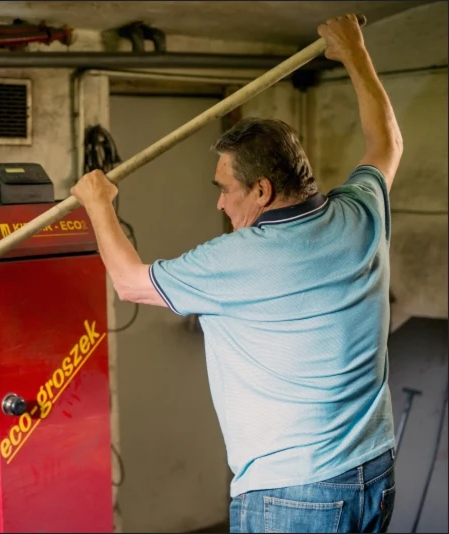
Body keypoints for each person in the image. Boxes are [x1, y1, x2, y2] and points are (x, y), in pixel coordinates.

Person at [70, 14, 403, 534]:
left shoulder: (238, 258)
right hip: (374, 472)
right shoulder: (360, 214)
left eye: (226, 189)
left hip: (292, 496)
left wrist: (98, 204)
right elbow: (386, 144)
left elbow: (130, 283)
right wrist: (355, 53)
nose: (222, 204)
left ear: (263, 191)